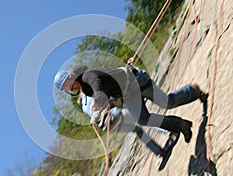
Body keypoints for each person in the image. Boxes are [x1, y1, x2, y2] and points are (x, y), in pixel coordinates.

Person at [54, 60, 207, 143]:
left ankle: (193, 91)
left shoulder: (88, 75)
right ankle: (181, 125)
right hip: (128, 94)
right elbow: (107, 98)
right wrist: (102, 113)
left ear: (71, 76)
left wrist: (97, 103)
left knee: (167, 102)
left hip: (137, 81)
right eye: (67, 88)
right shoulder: (86, 91)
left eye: (69, 82)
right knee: (143, 119)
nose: (71, 87)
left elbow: (98, 85)